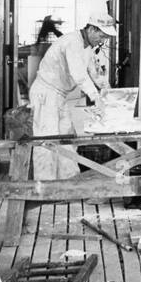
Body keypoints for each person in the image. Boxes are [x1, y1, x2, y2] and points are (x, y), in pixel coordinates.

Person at [27, 15, 118, 180]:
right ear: (91, 29)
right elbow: (79, 74)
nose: (102, 40)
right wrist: (95, 97)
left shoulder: (87, 47)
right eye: (102, 36)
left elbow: (94, 72)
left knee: (66, 140)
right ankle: (45, 188)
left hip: (61, 95)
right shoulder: (72, 42)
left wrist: (108, 90)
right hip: (46, 94)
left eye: (105, 37)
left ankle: (69, 183)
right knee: (47, 141)